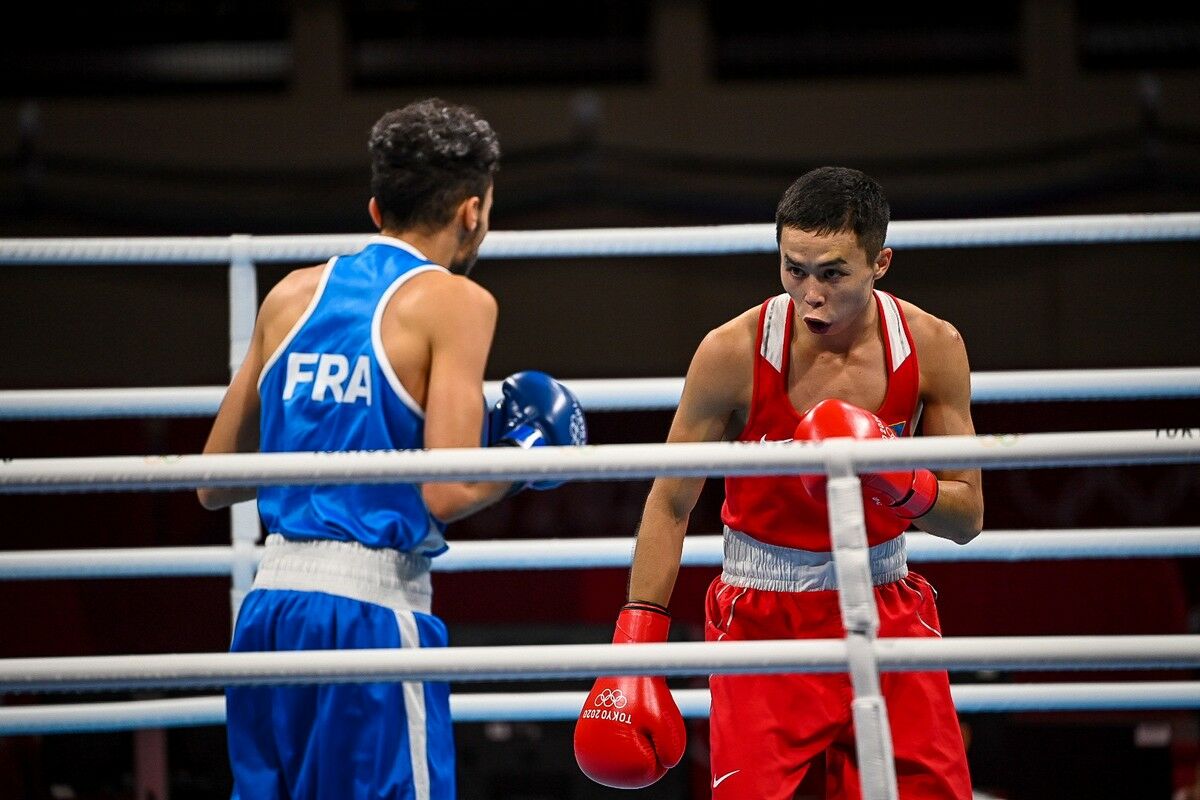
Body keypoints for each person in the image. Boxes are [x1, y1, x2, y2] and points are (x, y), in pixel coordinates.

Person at [198, 97, 587, 800]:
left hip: (269, 608)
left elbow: (215, 482)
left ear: (377, 208)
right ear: (472, 212)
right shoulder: (457, 302)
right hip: (370, 613)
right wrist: (530, 459)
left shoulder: (291, 295)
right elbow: (444, 490)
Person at [573, 166, 983, 798]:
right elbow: (671, 503)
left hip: (887, 602)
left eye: (832, 272)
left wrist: (893, 477)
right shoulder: (732, 352)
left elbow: (967, 517)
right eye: (794, 269)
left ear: (881, 263)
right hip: (762, 619)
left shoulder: (932, 346)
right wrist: (636, 646)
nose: (810, 293)